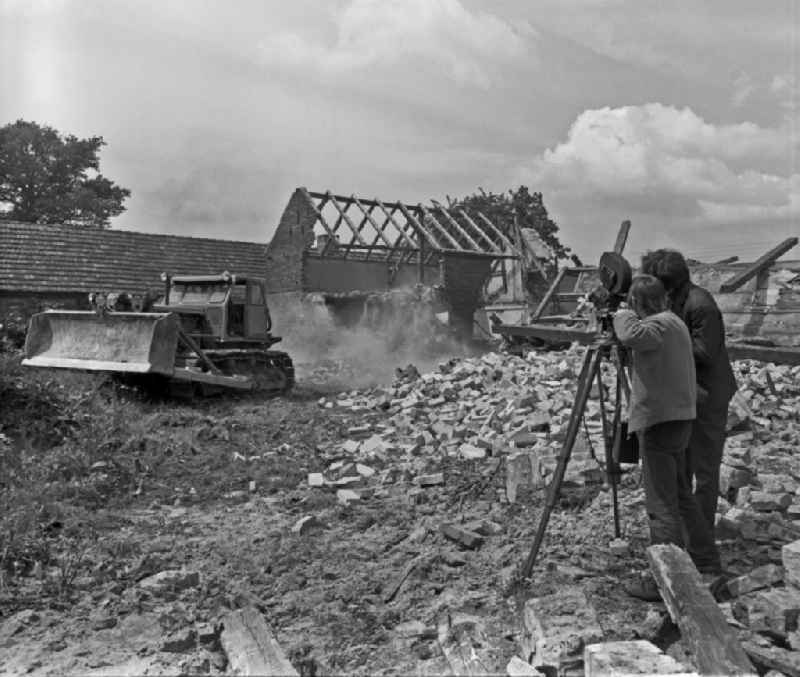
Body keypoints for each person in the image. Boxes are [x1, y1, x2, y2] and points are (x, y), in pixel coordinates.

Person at [613, 275, 721, 600]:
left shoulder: (657, 327)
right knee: (681, 495)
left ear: (639, 303)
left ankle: (667, 578)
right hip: (679, 419)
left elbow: (629, 333)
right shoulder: (675, 322)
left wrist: (620, 313)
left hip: (660, 422)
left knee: (660, 505)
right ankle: (706, 563)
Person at [641, 250, 737, 540]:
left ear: (667, 285)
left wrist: (662, 344)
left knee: (705, 470)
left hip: (708, 394)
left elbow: (705, 353)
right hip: (685, 393)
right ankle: (683, 530)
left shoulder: (700, 304)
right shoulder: (673, 300)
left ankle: (701, 538)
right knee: (680, 465)